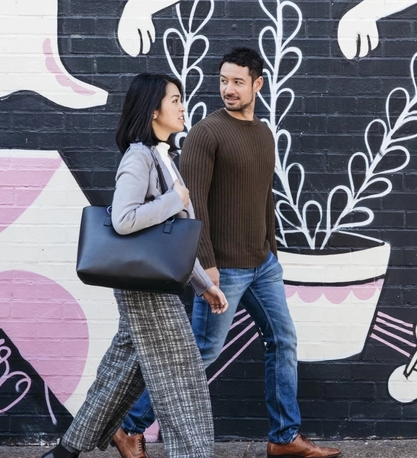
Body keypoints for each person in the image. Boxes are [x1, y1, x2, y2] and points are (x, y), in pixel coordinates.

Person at [116, 48, 341, 458]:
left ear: (258, 84)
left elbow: (263, 198)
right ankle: (130, 427)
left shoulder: (264, 134)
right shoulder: (206, 133)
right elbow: (192, 205)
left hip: (263, 264)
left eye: (238, 81)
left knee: (283, 340)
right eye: (223, 80)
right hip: (225, 267)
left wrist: (272, 251)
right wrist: (207, 265)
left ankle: (284, 437)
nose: (228, 89)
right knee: (201, 353)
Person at [39, 73, 229, 458]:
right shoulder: (138, 157)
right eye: (174, 100)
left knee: (123, 371)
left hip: (150, 282)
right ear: (153, 110)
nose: (182, 107)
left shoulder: (162, 156)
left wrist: (202, 284)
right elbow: (124, 220)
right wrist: (173, 200)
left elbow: (173, 240)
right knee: (181, 375)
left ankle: (65, 451)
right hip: (144, 287)